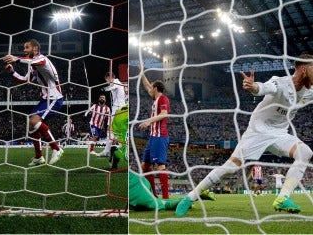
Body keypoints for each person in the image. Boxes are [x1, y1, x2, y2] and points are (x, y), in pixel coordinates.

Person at [176, 53, 313, 216]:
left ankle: (282, 198)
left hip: (280, 133)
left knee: (305, 153)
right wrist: (253, 86)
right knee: (230, 168)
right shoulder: (281, 83)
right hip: (258, 130)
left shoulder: (310, 91)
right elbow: (263, 88)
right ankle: (191, 196)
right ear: (304, 69)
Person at [3, 39, 64, 166]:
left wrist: (17, 59)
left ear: (35, 48)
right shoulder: (34, 66)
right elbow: (25, 80)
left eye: (27, 47)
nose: (24, 50)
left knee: (34, 121)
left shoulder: (42, 59)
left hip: (54, 98)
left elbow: (34, 61)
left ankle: (56, 149)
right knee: (31, 125)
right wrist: (12, 71)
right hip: (45, 99)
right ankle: (38, 157)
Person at [138, 70, 170, 199]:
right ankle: (154, 195)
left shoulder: (163, 99)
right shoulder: (155, 99)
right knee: (145, 165)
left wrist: (148, 121)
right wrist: (141, 73)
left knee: (160, 166)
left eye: (151, 88)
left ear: (155, 88)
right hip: (153, 137)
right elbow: (146, 86)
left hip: (160, 136)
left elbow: (164, 114)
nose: (149, 90)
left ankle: (166, 198)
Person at [129, 170, 216, 211]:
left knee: (164, 205)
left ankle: (197, 195)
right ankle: (193, 198)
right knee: (158, 202)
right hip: (138, 180)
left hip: (136, 188)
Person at [99, 72, 127, 157]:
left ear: (109, 78)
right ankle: (120, 149)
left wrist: (104, 89)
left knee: (110, 130)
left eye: (106, 80)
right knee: (118, 131)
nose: (106, 81)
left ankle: (107, 151)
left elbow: (112, 87)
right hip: (122, 108)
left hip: (118, 108)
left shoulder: (116, 82)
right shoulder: (118, 83)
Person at [109, 103, 128, 170]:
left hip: (118, 123)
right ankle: (115, 151)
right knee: (126, 155)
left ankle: (115, 149)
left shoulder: (122, 108)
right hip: (123, 124)